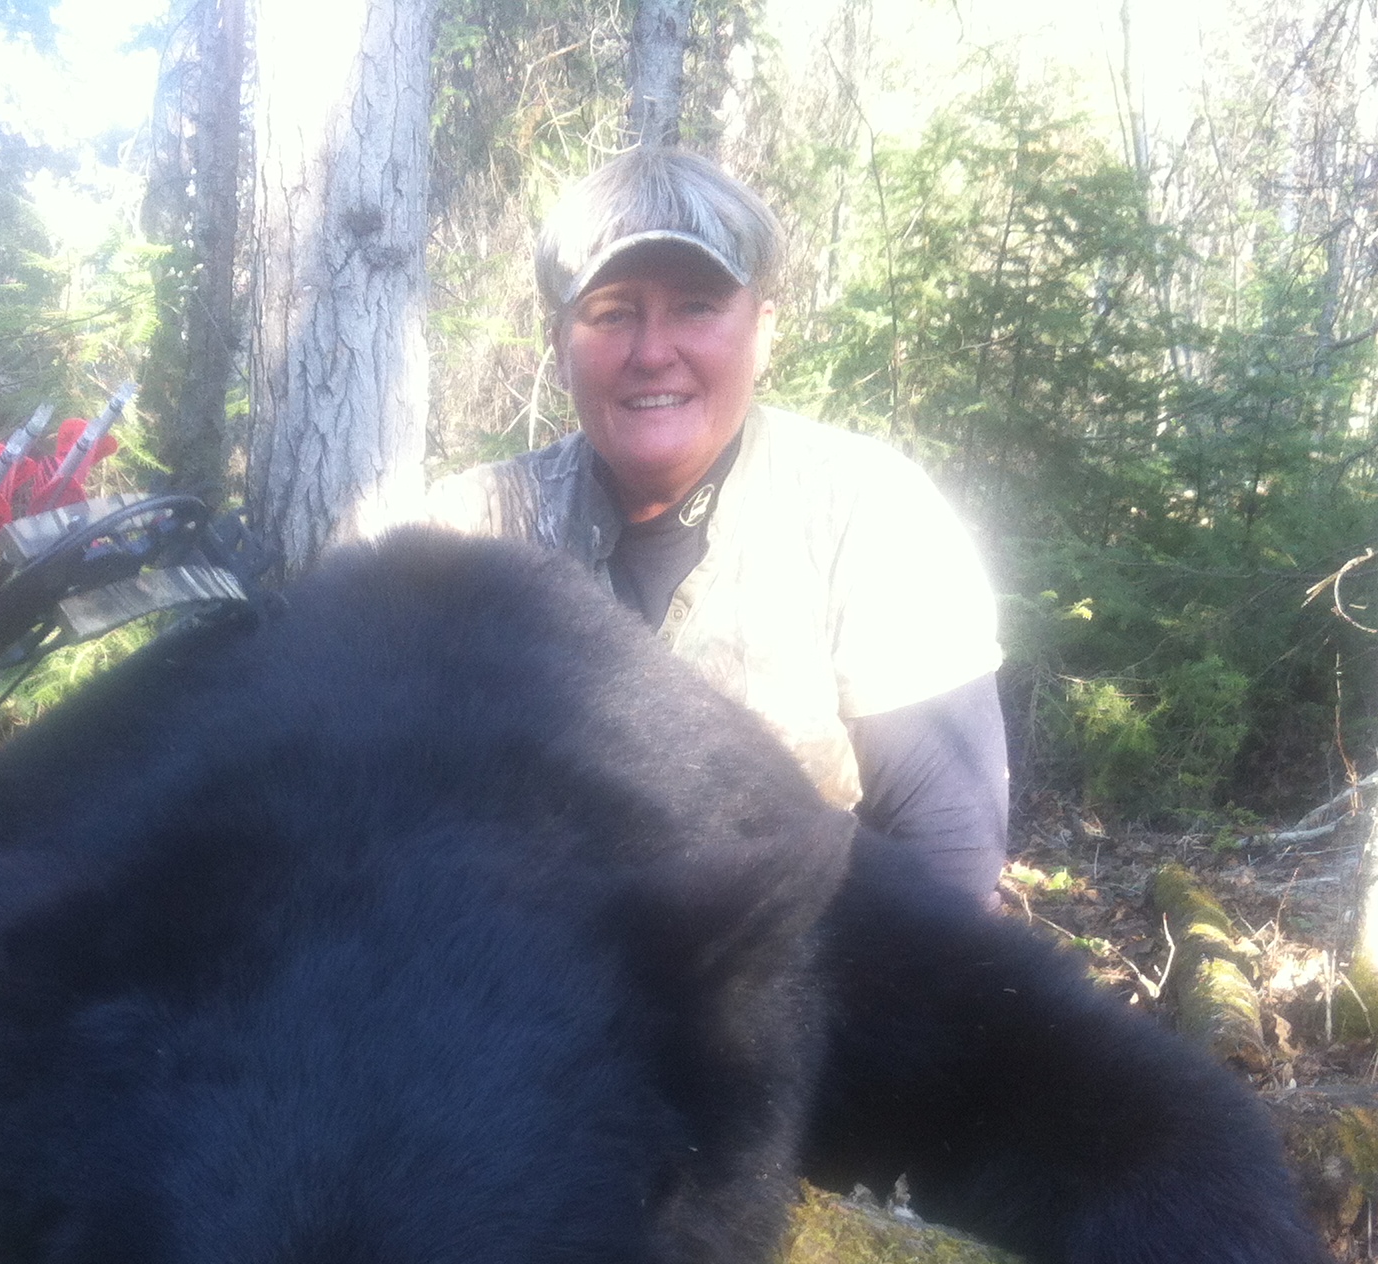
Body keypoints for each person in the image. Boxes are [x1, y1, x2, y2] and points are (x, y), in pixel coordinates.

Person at [423, 149, 1009, 906]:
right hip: (525, 985)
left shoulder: (867, 514)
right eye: (611, 313)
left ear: (763, 332)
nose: (651, 352)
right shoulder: (466, 533)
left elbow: (951, 855)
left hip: (795, 979)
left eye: (696, 305)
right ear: (559, 349)